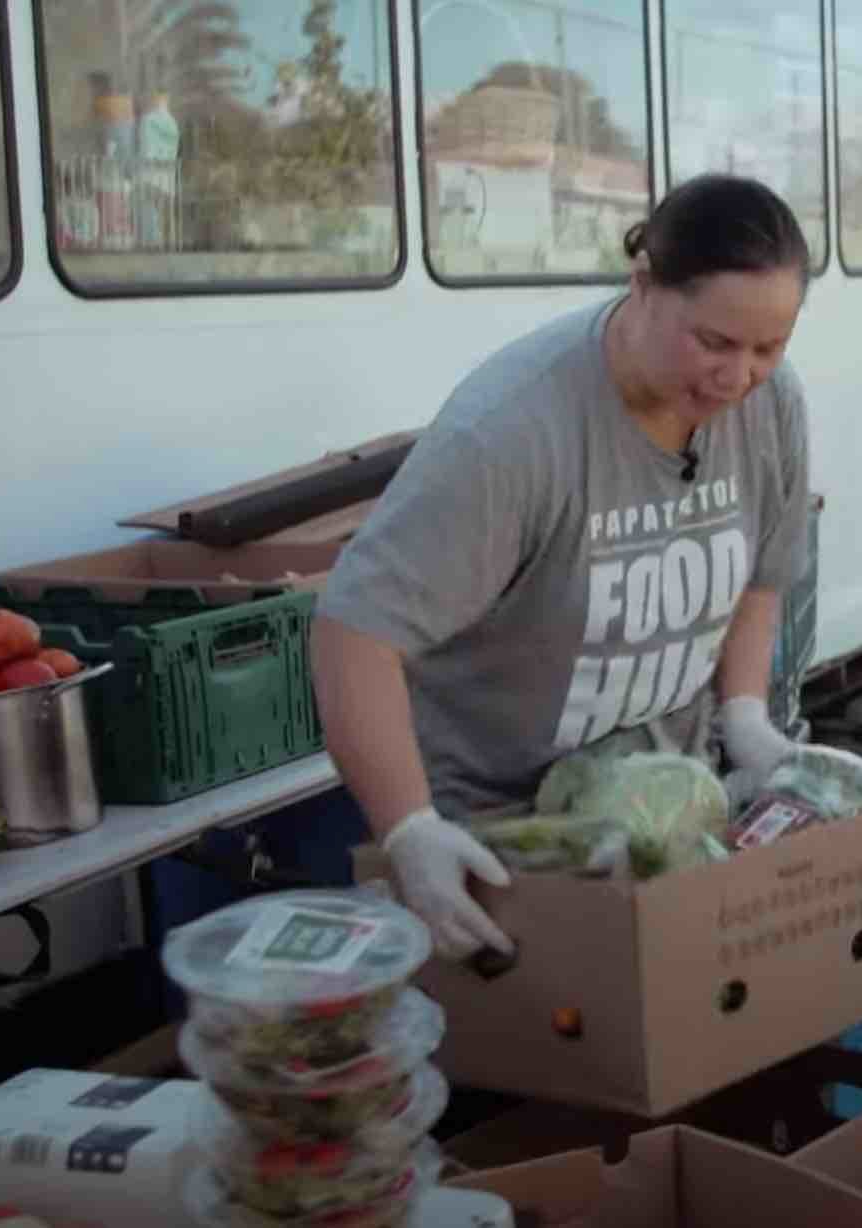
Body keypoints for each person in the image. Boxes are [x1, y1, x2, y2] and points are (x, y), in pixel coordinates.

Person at [312, 174, 815, 962]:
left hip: (665, 818)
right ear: (643, 283)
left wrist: (744, 717)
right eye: (714, 342)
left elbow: (762, 572)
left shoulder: (770, 403)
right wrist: (410, 829)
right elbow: (354, 632)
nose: (737, 377)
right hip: (508, 846)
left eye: (768, 346)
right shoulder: (513, 433)